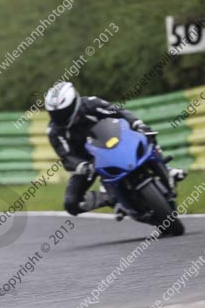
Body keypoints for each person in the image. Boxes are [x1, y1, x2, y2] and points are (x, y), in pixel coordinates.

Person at [43, 82, 186, 216]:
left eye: (63, 112)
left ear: (75, 102)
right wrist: (82, 166)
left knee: (147, 134)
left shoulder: (90, 104)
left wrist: (137, 123)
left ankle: (167, 170)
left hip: (114, 141)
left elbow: (118, 111)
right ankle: (110, 198)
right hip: (89, 162)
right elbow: (66, 156)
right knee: (71, 204)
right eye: (55, 114)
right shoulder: (54, 131)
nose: (59, 117)